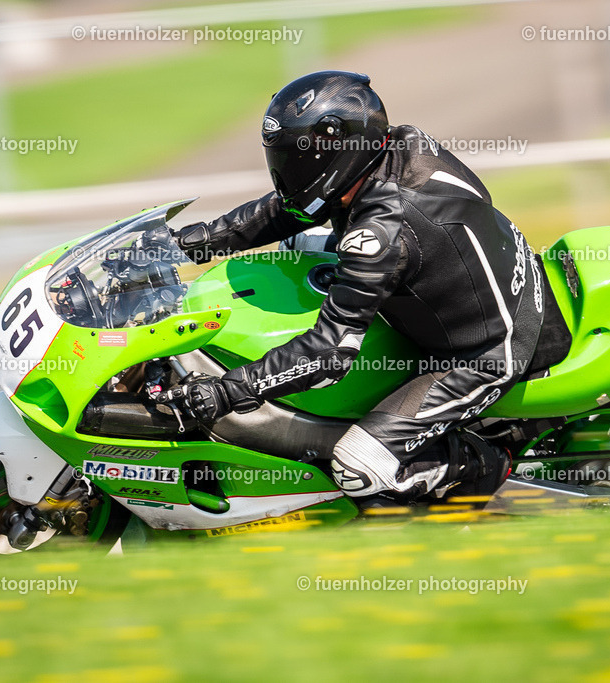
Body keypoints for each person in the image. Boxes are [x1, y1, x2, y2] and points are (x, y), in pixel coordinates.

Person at [159, 70, 547, 503]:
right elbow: (292, 210)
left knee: (356, 465)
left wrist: (229, 390)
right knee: (292, 248)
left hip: (486, 351)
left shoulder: (382, 233)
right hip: (473, 281)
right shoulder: (392, 146)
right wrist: (184, 244)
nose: (287, 171)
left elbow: (330, 353)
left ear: (336, 153)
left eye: (298, 159)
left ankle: (480, 466)